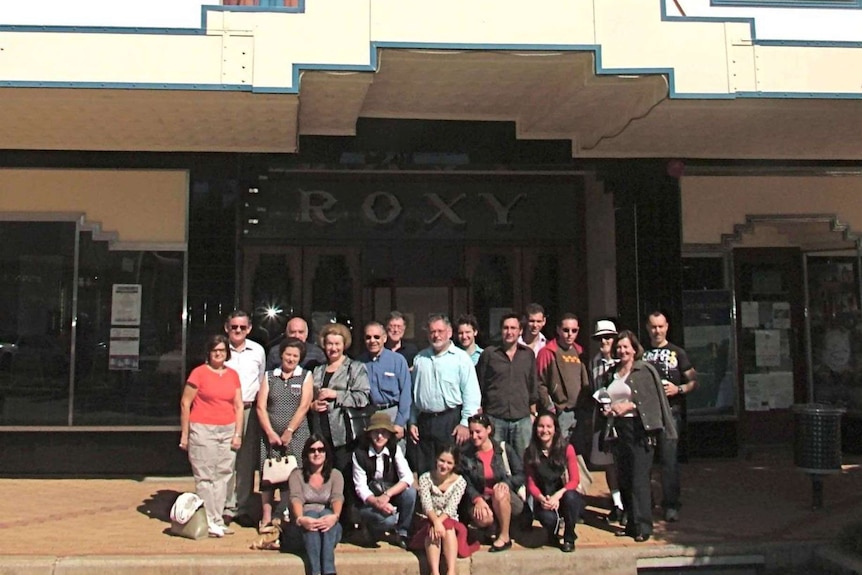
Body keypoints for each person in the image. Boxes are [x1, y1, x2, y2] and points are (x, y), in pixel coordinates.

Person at [606, 330, 676, 542]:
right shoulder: (612, 372)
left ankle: (644, 526)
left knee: (639, 479)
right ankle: (630, 523)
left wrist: (629, 405)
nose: (622, 350)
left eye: (626, 346)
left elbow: (652, 401)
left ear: (635, 349)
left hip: (639, 429)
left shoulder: (643, 370)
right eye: (619, 347)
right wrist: (608, 409)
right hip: (619, 430)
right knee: (625, 478)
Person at [179, 334, 244, 538]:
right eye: (215, 350)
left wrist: (237, 433)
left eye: (222, 350)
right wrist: (185, 434)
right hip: (203, 428)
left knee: (223, 475)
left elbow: (238, 405)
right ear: (209, 352)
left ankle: (217, 519)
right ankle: (207, 519)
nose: (219, 354)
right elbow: (185, 403)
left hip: (227, 428)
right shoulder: (198, 373)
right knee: (205, 476)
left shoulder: (232, 374)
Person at [311, 322, 371, 528]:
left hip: (345, 433)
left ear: (344, 344)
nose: (333, 348)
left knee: (344, 478)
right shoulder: (318, 370)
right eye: (329, 344)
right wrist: (313, 404)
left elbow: (363, 397)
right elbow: (309, 397)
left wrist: (336, 394)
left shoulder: (355, 368)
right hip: (320, 431)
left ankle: (347, 522)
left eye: (337, 344)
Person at [408, 313, 481, 474]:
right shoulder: (420, 359)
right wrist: (412, 421)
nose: (436, 335)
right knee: (426, 471)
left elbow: (471, 394)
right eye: (432, 332)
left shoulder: (461, 359)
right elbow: (413, 395)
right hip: (425, 423)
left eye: (440, 331)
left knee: (450, 470)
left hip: (451, 421)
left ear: (449, 332)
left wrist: (464, 423)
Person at [643, 311, 697, 523]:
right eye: (653, 327)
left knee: (669, 461)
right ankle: (647, 503)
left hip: (671, 414)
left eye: (661, 326)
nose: (657, 331)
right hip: (647, 414)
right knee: (645, 461)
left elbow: (694, 380)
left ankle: (671, 504)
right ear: (648, 328)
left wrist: (679, 389)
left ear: (667, 327)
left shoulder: (678, 353)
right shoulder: (642, 353)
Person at [256, 337, 314, 533]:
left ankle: (287, 512)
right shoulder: (269, 376)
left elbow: (304, 406)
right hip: (270, 435)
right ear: (281, 355)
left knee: (293, 475)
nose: (291, 359)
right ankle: (266, 516)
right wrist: (271, 432)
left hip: (296, 435)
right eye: (288, 354)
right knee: (269, 476)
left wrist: (289, 431)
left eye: (295, 356)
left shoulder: (305, 376)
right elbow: (261, 406)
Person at [222, 310, 266, 527]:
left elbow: (260, 380)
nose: (237, 331)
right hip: (225, 409)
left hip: (249, 408)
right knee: (226, 458)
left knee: (246, 461)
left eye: (242, 327)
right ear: (227, 328)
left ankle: (244, 506)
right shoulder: (220, 350)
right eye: (234, 327)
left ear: (249, 329)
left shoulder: (257, 351)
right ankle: (226, 507)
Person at [458, 413, 525, 553]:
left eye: (478, 432)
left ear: (488, 430)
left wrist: (507, 483)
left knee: (499, 491)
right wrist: (477, 499)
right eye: (471, 432)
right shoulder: (466, 454)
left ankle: (504, 536)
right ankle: (492, 528)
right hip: (482, 499)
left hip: (505, 498)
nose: (474, 436)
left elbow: (521, 474)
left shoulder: (503, 449)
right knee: (483, 518)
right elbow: (464, 482)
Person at [476, 312, 539, 459]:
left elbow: (532, 385)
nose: (509, 332)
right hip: (495, 418)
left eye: (513, 328)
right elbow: (480, 384)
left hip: (522, 418)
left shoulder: (528, 354)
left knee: (524, 461)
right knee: (496, 460)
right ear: (501, 330)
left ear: (520, 331)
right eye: (505, 328)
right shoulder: (489, 354)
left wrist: (533, 414)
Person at [410, 444, 479, 575]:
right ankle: (434, 572)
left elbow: (451, 507)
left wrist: (439, 523)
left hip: (450, 519)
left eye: (449, 463)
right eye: (442, 460)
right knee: (434, 529)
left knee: (448, 526)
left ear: (454, 465)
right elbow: (426, 505)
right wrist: (436, 522)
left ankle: (451, 571)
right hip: (429, 518)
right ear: (436, 459)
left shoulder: (460, 482)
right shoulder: (425, 478)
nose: (444, 465)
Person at [351, 411, 416, 548]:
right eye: (376, 432)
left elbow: (407, 477)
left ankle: (402, 532)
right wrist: (377, 502)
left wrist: (387, 495)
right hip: (369, 501)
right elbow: (360, 488)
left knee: (410, 493)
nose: (380, 436)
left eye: (384, 432)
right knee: (388, 521)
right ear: (369, 433)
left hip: (388, 493)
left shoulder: (394, 449)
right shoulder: (359, 454)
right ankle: (369, 529)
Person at [523, 411, 584, 553]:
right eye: (541, 426)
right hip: (544, 498)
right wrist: (542, 499)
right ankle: (552, 533)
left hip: (563, 497)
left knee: (571, 496)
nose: (545, 430)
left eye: (549, 426)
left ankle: (569, 536)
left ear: (555, 429)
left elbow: (575, 479)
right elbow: (530, 483)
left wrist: (558, 495)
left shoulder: (567, 449)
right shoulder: (530, 452)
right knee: (550, 520)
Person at [536, 313, 591, 455]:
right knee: (558, 451)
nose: (570, 334)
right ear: (558, 330)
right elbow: (539, 382)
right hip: (560, 411)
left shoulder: (580, 351)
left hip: (579, 411)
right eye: (566, 330)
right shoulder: (548, 352)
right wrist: (550, 407)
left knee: (578, 453)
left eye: (574, 331)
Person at [288, 435, 344, 575]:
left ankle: (328, 571)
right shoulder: (297, 475)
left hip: (329, 526)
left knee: (326, 514)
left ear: (326, 453)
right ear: (307, 453)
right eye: (312, 450)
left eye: (321, 450)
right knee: (311, 515)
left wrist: (335, 517)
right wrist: (301, 519)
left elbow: (337, 497)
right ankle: (317, 572)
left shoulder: (335, 475)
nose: (317, 453)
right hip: (304, 525)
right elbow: (296, 498)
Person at [588, 319, 624, 524]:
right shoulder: (594, 362)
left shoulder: (624, 360)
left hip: (623, 419)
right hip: (603, 420)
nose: (605, 341)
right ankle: (617, 503)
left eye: (608, 337)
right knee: (609, 464)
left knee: (625, 462)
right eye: (601, 338)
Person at [357, 321, 412, 440]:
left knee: (395, 455)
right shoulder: (359, 363)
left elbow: (406, 394)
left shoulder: (397, 360)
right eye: (368, 337)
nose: (372, 341)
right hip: (370, 415)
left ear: (384, 338)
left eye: (376, 337)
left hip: (392, 413)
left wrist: (400, 423)